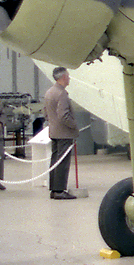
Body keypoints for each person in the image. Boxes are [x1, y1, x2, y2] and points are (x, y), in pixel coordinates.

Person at [44, 67, 78, 200]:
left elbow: (45, 112)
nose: (69, 78)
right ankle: (59, 190)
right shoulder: (61, 93)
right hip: (64, 133)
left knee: (55, 161)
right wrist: (74, 126)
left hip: (54, 132)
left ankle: (54, 189)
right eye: (68, 76)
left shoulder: (49, 92)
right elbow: (64, 115)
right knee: (62, 163)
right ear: (63, 77)